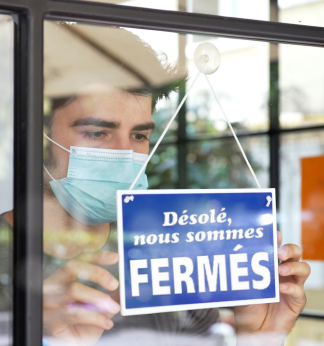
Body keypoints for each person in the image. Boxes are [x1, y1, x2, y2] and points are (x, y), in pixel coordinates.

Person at [0, 26, 310, 346]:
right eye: (97, 133)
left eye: (139, 136)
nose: (126, 154)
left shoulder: (166, 263)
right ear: (33, 134)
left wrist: (258, 337)